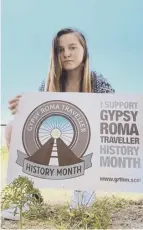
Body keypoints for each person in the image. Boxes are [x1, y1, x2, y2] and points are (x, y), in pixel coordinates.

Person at [3, 28, 115, 220]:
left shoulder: (96, 80)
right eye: (60, 50)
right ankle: (29, 195)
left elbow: (112, 111)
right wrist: (22, 108)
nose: (66, 54)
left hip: (87, 144)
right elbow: (35, 116)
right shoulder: (49, 82)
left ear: (84, 50)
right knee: (13, 126)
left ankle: (84, 190)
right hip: (54, 138)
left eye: (72, 47)